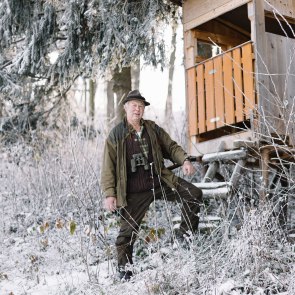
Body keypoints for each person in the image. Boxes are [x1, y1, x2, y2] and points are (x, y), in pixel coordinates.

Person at [100, 90, 203, 281]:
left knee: (194, 193)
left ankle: (184, 237)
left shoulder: (152, 129)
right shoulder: (116, 135)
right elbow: (108, 167)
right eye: (133, 106)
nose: (137, 110)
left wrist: (185, 161)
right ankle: (125, 273)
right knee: (126, 234)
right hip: (134, 192)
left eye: (140, 106)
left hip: (160, 181)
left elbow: (171, 147)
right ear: (125, 108)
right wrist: (109, 194)